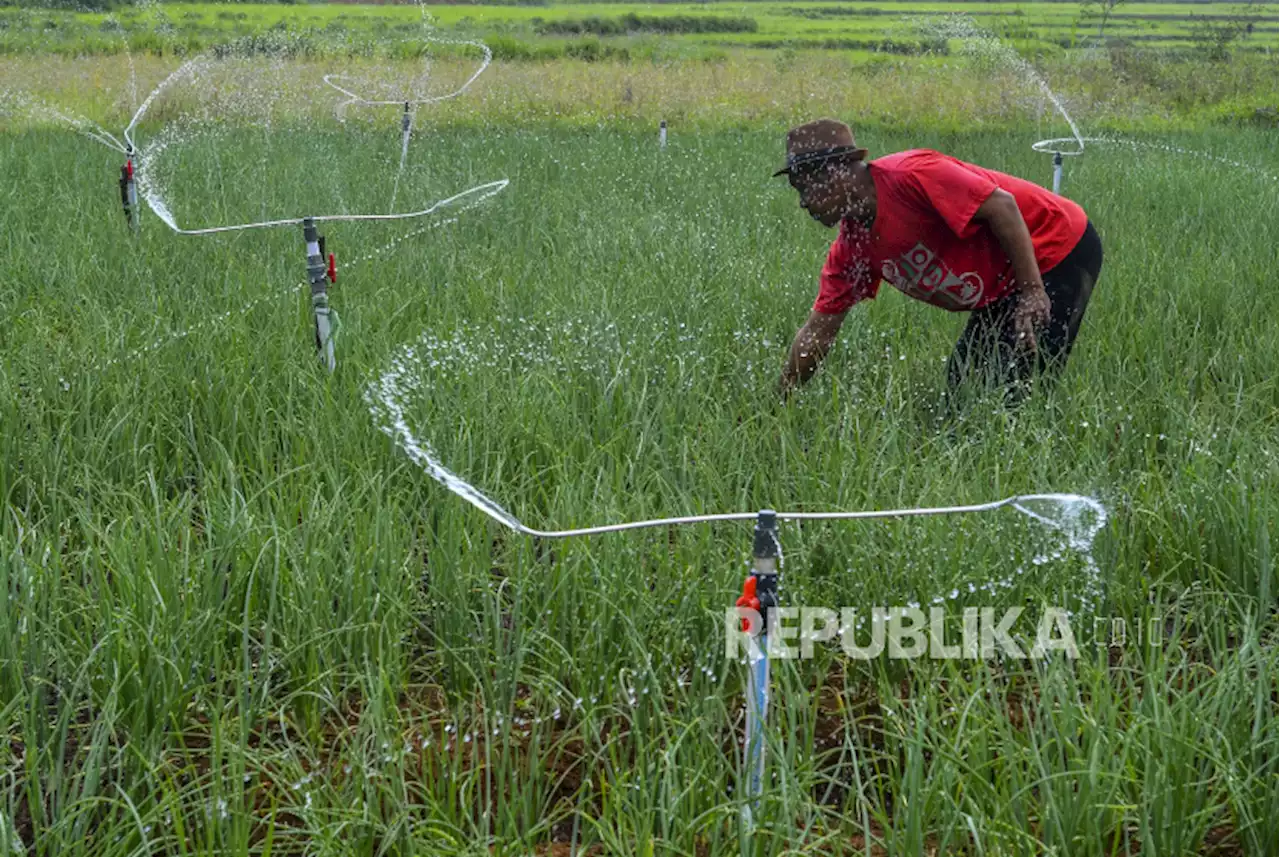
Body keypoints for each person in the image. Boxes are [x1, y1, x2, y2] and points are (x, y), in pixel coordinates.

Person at [774, 118, 1103, 404]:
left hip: (1057, 247)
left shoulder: (912, 174)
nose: (803, 203)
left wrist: (1032, 292)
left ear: (836, 174)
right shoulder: (852, 249)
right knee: (963, 385)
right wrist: (779, 401)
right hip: (1005, 283)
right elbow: (817, 334)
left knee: (1017, 391)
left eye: (805, 189)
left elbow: (1003, 206)